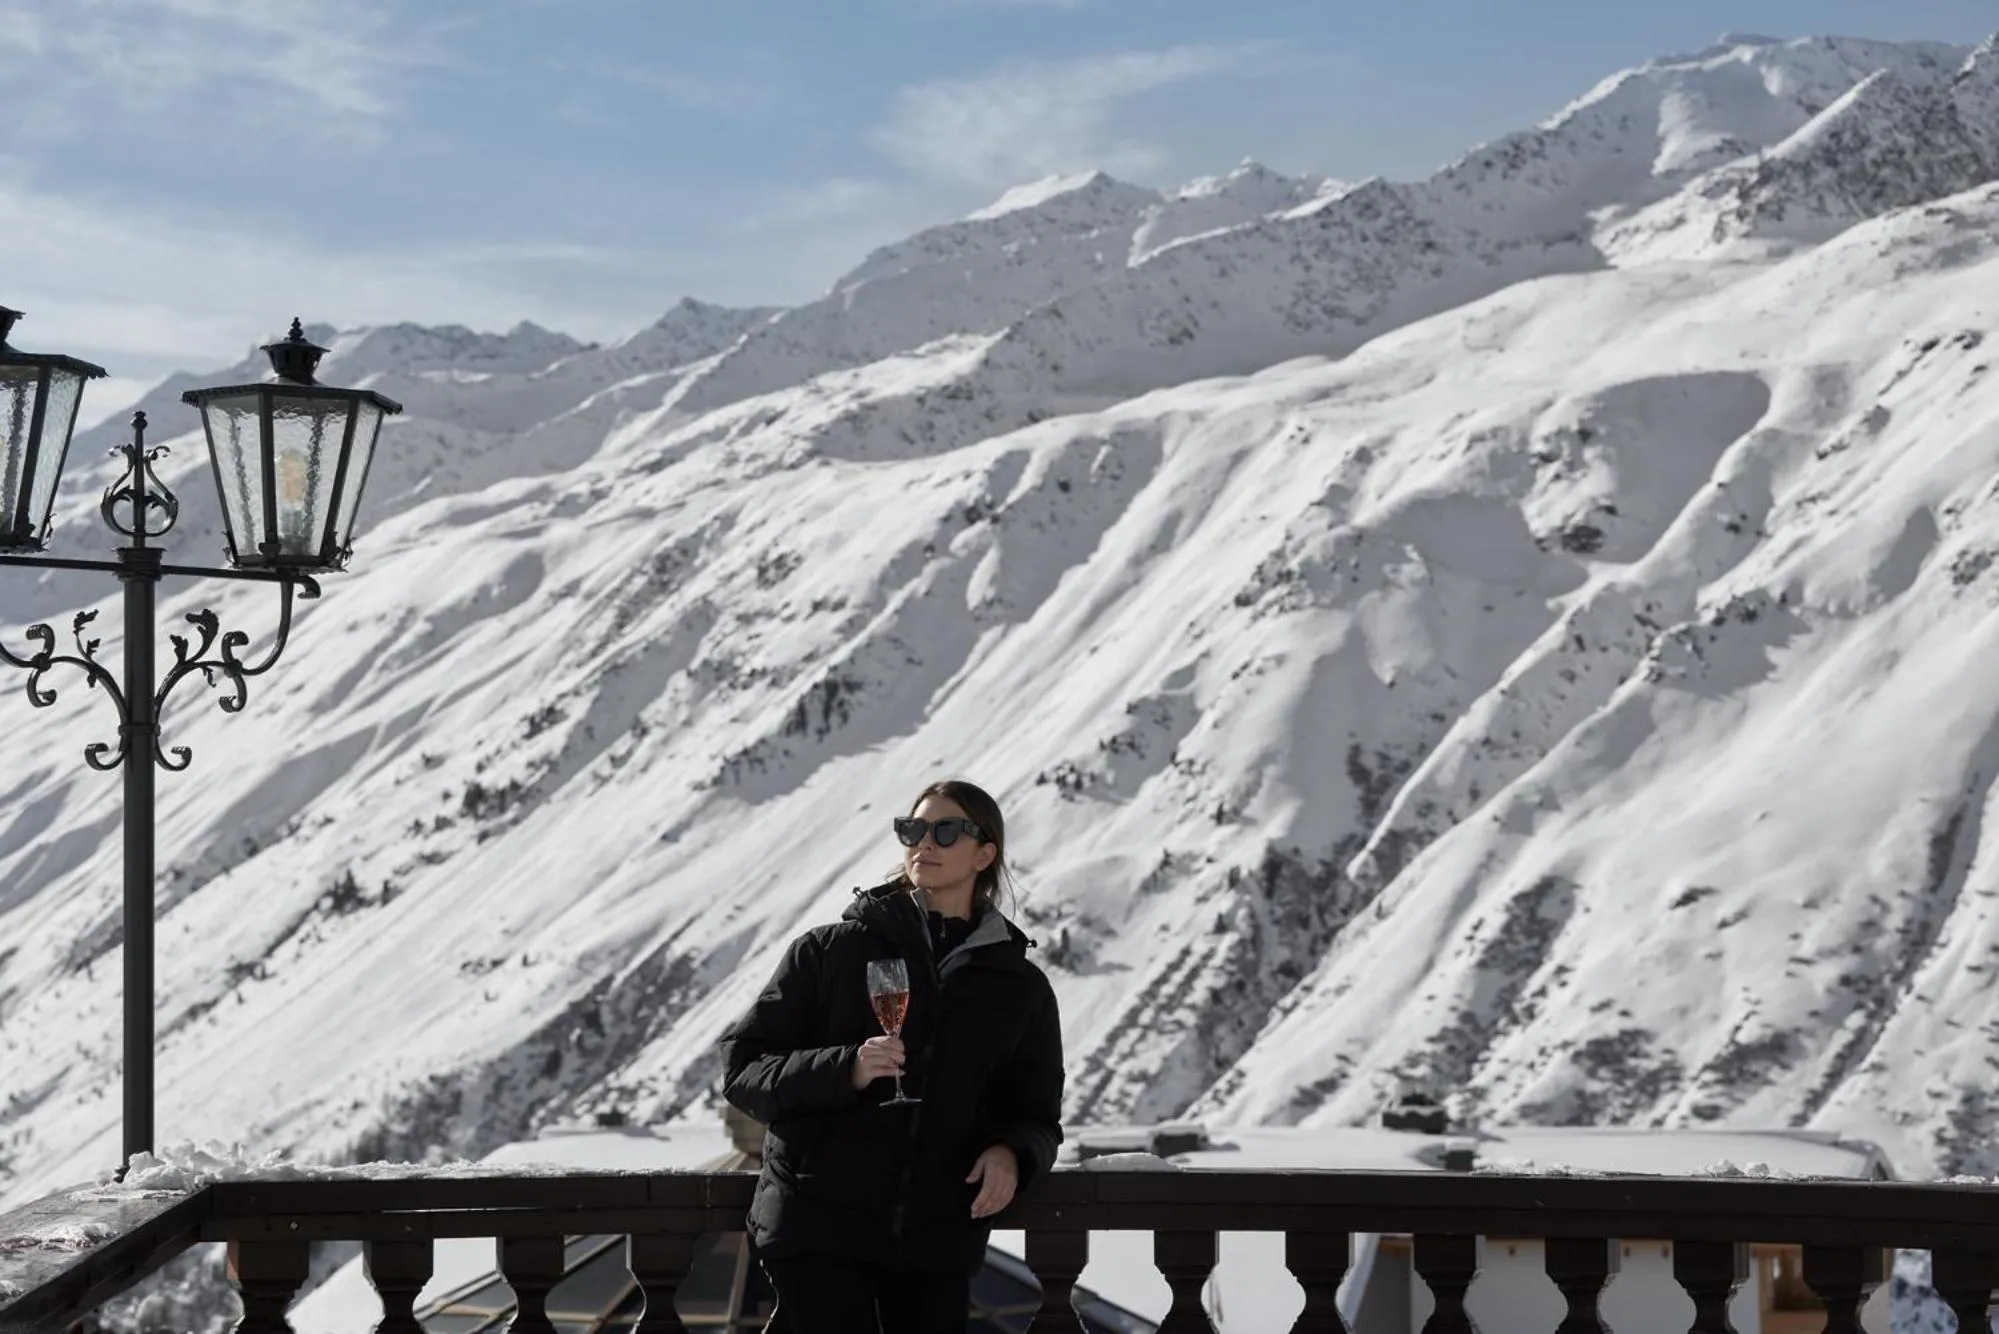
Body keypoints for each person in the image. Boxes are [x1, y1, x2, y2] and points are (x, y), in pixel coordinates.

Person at [720, 779, 1065, 1333]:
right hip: (818, 1230)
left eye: (945, 831)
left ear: (985, 854)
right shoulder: (829, 951)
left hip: (935, 1242)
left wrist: (1010, 1152)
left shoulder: (1018, 986)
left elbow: (1036, 1114)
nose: (923, 843)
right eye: (913, 830)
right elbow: (745, 1071)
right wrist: (846, 1067)